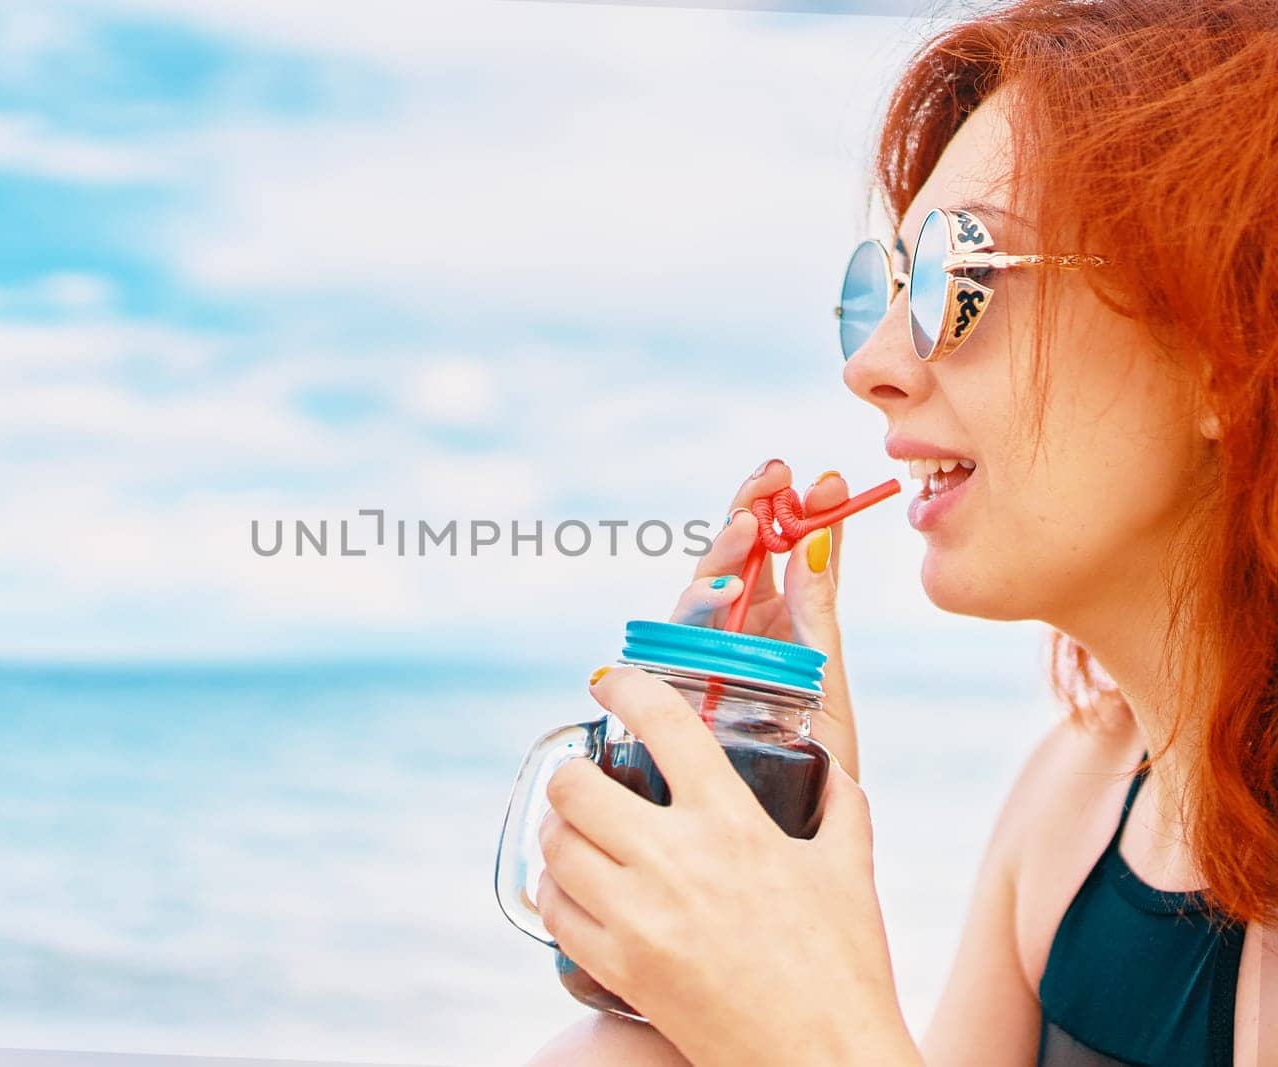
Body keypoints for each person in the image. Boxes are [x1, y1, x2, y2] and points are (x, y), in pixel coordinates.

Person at [524, 1, 1278, 1063]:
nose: (869, 363)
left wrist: (805, 1023)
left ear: (1226, 342)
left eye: (957, 278)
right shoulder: (1071, 799)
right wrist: (752, 909)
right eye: (882, 287)